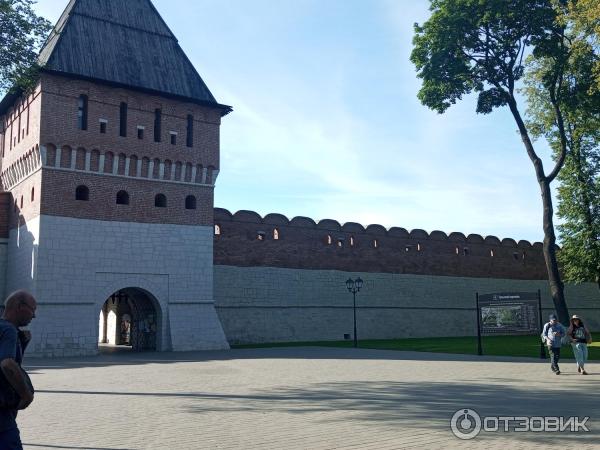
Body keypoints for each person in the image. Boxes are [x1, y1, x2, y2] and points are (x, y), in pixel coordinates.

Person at [0, 290, 37, 450]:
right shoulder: (9, 330)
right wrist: (26, 395)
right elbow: (7, 364)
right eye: (32, 309)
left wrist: (23, 344)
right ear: (20, 306)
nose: (34, 316)